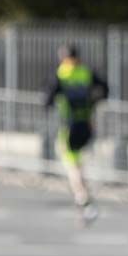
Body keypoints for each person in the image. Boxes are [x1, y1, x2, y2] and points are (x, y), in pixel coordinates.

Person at [44, 45, 107, 224]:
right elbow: (104, 89)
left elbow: (47, 99)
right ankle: (82, 198)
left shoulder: (61, 74)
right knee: (78, 162)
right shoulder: (86, 72)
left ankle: (83, 198)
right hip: (86, 124)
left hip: (69, 126)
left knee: (72, 165)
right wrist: (92, 102)